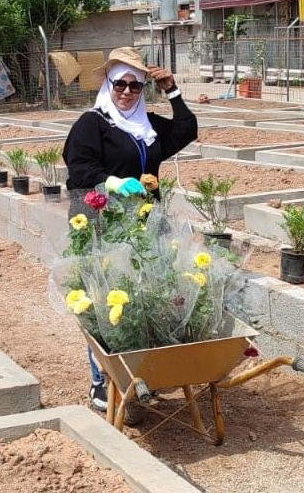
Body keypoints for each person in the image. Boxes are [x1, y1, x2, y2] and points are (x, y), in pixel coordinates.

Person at [62, 46, 198, 410]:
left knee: (140, 300)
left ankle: (137, 374)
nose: (126, 92)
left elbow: (187, 129)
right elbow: (79, 170)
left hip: (143, 225)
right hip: (102, 223)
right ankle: (99, 382)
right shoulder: (92, 124)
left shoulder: (146, 125)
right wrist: (114, 184)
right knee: (104, 301)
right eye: (119, 84)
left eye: (134, 86)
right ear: (108, 84)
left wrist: (172, 89)